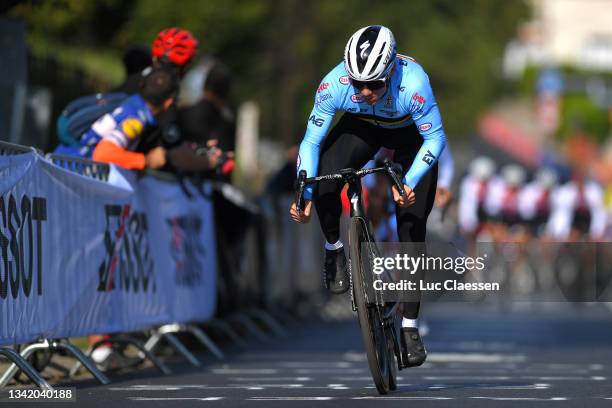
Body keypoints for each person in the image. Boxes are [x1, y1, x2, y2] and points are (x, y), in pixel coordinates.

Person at [289, 25, 447, 368]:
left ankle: (409, 325)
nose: (362, 90)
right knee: (325, 182)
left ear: (390, 71)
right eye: (356, 82)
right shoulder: (335, 84)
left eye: (372, 84)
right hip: (361, 128)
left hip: (411, 138)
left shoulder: (414, 84)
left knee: (410, 222)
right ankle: (334, 249)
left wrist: (411, 180)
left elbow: (435, 141)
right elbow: (311, 142)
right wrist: (305, 192)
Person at [84, 66, 178, 170]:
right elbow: (102, 154)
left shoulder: (131, 102)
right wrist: (146, 160)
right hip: (75, 167)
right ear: (168, 103)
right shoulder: (136, 120)